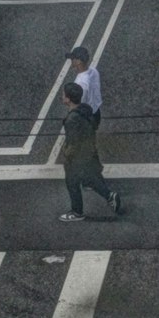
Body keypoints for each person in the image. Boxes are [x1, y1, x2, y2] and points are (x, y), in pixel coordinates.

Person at [59, 82, 121, 222]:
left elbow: (73, 142)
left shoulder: (72, 119)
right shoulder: (85, 110)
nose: (62, 96)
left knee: (72, 182)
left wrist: (67, 155)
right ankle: (110, 196)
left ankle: (77, 212)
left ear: (68, 99)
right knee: (89, 179)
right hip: (90, 151)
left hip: (79, 156)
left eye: (63, 94)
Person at [67, 45, 102, 129]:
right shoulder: (94, 71)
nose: (71, 61)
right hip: (96, 111)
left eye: (73, 59)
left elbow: (78, 104)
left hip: (86, 117)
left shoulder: (80, 83)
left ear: (79, 61)